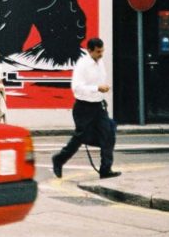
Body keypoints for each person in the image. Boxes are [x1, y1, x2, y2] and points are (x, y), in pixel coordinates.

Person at [51, 37, 120, 179]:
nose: (101, 54)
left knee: (108, 134)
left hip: (99, 105)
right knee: (79, 138)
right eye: (98, 52)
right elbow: (76, 87)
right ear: (89, 51)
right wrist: (97, 88)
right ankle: (59, 159)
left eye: (102, 51)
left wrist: (104, 88)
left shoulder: (100, 62)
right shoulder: (82, 65)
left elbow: (100, 81)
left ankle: (105, 169)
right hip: (84, 107)